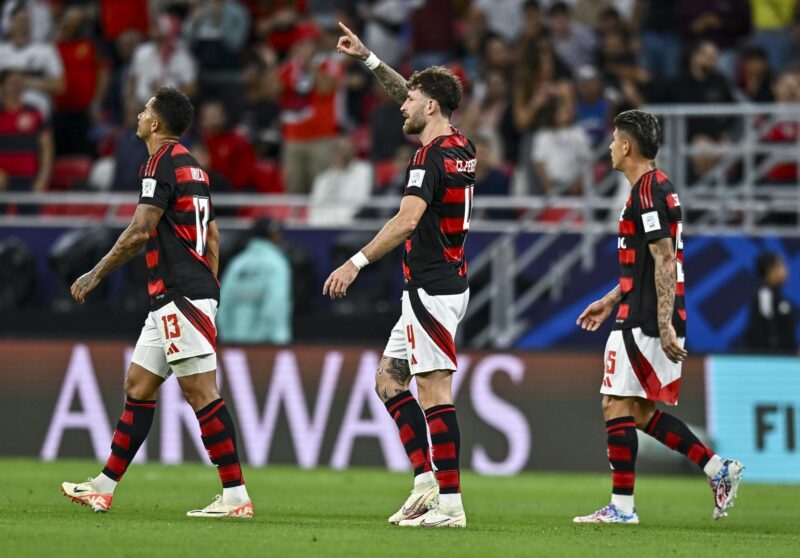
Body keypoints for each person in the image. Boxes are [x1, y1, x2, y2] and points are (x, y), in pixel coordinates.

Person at [60, 87, 253, 519]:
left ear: (156, 124)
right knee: (138, 386)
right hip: (179, 294)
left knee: (200, 392)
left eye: (146, 109)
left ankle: (235, 495)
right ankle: (104, 487)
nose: (141, 113)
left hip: (180, 295)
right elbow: (214, 236)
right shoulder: (194, 167)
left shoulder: (160, 163)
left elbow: (140, 231)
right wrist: (210, 285)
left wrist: (96, 272)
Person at [325, 22, 474, 528]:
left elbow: (407, 219)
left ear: (430, 106)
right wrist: (368, 59)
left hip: (433, 287)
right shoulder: (461, 146)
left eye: (411, 99)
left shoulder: (428, 158)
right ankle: (425, 482)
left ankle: (450, 504)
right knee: (389, 381)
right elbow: (407, 93)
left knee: (434, 390)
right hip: (438, 284)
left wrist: (356, 262)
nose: (403, 105)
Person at [573, 109, 743, 525]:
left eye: (614, 139)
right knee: (639, 411)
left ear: (627, 146)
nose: (611, 147)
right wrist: (612, 298)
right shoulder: (658, 187)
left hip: (646, 319)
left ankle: (622, 509)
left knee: (615, 404)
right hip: (644, 310)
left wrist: (663, 322)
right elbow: (650, 265)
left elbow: (665, 259)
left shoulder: (646, 192)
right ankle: (716, 468)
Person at [217, 217, 293, 345]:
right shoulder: (277, 263)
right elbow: (277, 304)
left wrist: (227, 336)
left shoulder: (237, 263)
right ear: (273, 236)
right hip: (268, 345)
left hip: (233, 343)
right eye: (276, 233)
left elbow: (223, 303)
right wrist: (278, 339)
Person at [0, 69, 53, 193]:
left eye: (19, 83)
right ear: (2, 86)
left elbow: (46, 148)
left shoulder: (34, 112)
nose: (16, 87)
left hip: (29, 178)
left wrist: (43, 178)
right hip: (2, 179)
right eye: (12, 83)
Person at [744, 252, 797, 354]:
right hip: (771, 361)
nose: (786, 270)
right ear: (770, 271)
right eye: (781, 266)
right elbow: (766, 334)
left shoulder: (781, 299)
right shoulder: (764, 297)